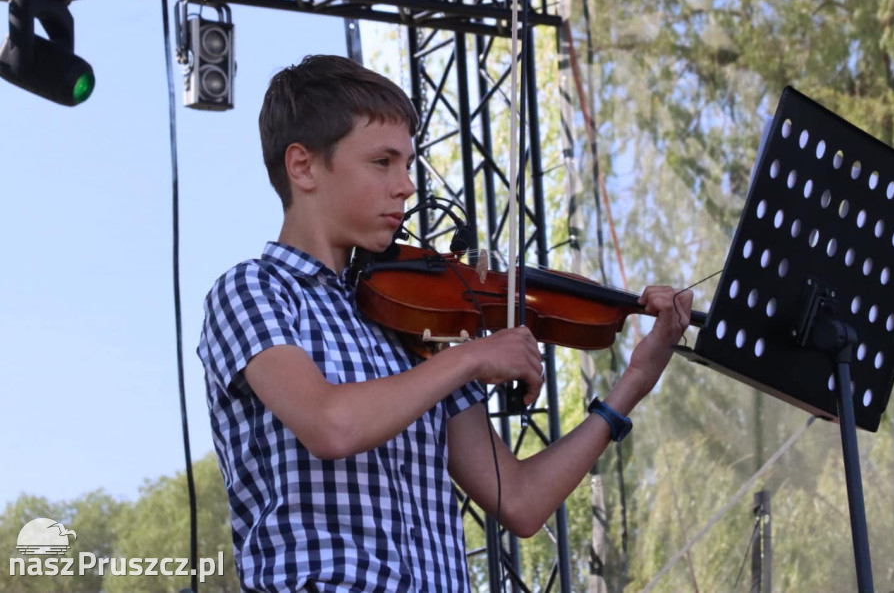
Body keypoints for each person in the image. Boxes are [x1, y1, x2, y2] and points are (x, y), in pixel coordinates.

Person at [197, 54, 693, 592]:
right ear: (304, 166)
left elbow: (521, 501)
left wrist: (632, 385)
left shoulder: (409, 326)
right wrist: (472, 356)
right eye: (382, 162)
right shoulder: (253, 291)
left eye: (407, 164)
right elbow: (331, 426)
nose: (406, 186)